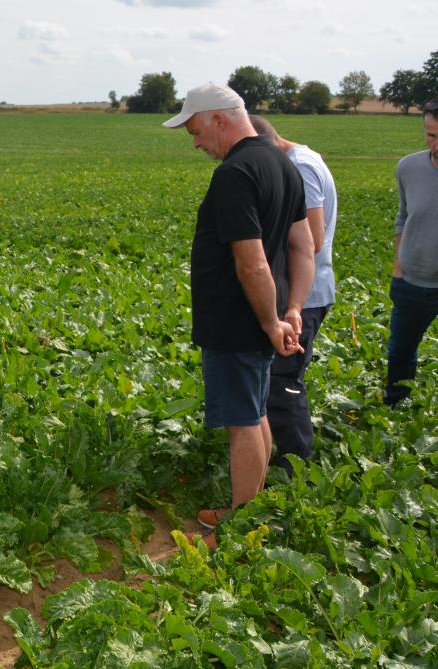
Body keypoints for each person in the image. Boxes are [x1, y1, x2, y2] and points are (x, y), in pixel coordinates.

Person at [162, 83, 314, 538]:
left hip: (236, 319)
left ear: (219, 119)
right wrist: (292, 310)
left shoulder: (234, 174)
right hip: (263, 315)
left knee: (242, 422)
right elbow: (302, 247)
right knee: (257, 411)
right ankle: (256, 504)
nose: (195, 142)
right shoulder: (282, 166)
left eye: (195, 130)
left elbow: (251, 262)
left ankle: (242, 522)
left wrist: (272, 322)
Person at [249, 115, 338, 474]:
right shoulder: (303, 158)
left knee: (284, 384)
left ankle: (295, 470)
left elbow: (310, 241)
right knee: (280, 380)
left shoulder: (297, 169)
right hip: (307, 292)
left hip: (304, 296)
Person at [384, 98, 438, 406]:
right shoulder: (409, 167)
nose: (434, 144)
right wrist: (398, 268)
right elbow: (403, 216)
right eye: (430, 135)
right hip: (412, 282)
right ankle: (396, 407)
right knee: (400, 351)